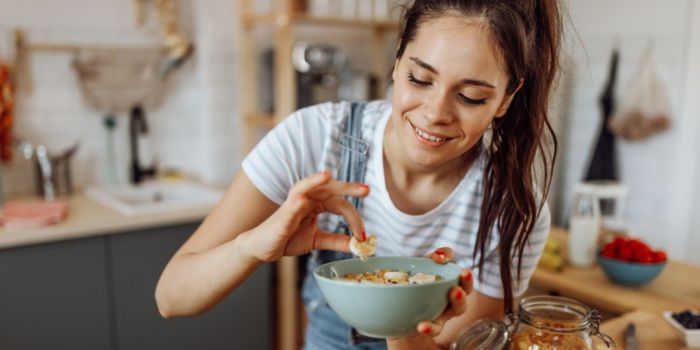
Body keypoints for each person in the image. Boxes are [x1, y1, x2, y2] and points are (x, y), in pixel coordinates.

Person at [155, 0, 562, 348]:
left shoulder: (514, 209)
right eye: (419, 78)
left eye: (471, 97)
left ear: (507, 99)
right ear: (397, 60)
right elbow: (172, 297)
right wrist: (255, 246)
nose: (435, 113)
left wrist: (407, 320)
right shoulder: (314, 137)